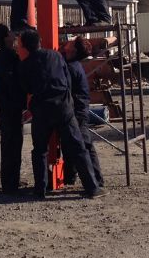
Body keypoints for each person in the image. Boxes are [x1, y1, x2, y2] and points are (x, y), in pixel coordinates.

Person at [18, 29, 107, 199]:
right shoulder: (56, 56)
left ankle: (40, 189)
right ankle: (92, 187)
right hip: (63, 108)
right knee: (78, 147)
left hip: (41, 110)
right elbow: (67, 79)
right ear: (39, 41)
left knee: (40, 150)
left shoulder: (24, 65)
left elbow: (26, 88)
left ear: (24, 46)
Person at [61, 36, 104, 189]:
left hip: (77, 110)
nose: (68, 41)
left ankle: (96, 180)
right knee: (68, 144)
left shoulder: (71, 67)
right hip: (77, 108)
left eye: (72, 41)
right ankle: (69, 176)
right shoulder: (72, 64)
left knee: (85, 144)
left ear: (73, 49)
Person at [0, 24, 27, 194]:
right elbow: (12, 82)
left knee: (12, 143)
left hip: (9, 105)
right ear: (6, 38)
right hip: (9, 106)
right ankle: (10, 184)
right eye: (11, 33)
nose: (14, 34)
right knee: (11, 143)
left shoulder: (6, 56)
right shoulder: (6, 57)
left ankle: (12, 180)